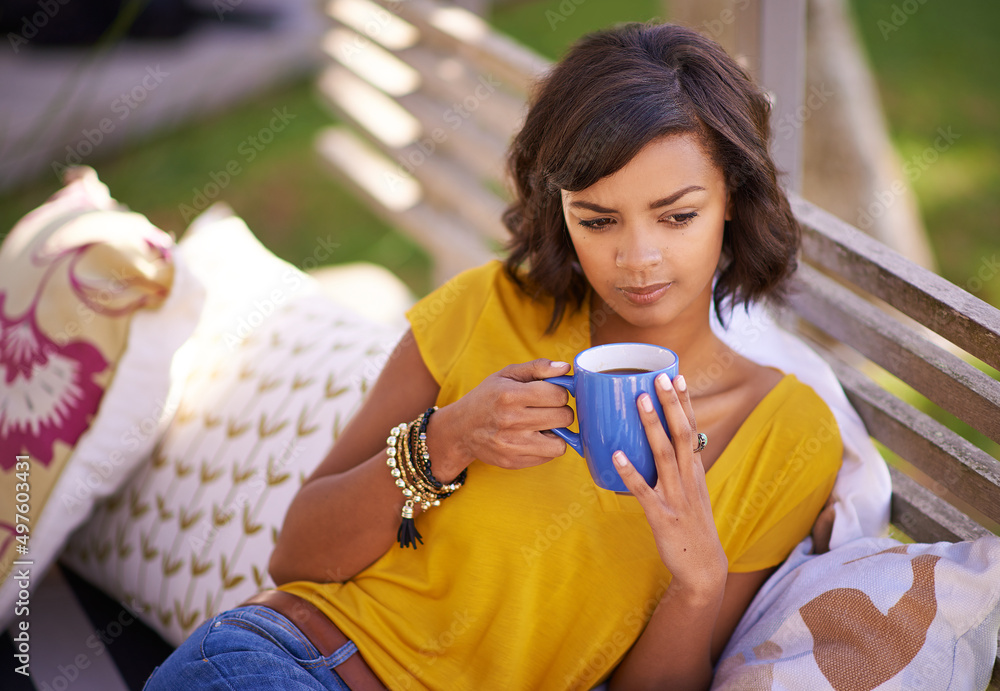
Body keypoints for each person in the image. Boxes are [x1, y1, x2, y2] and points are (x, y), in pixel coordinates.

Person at [145, 21, 842, 691]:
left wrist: (697, 579)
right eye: (598, 220)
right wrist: (446, 439)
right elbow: (296, 553)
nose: (638, 258)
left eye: (677, 215)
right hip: (292, 666)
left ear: (733, 199)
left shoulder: (786, 435)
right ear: (561, 211)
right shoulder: (489, 305)